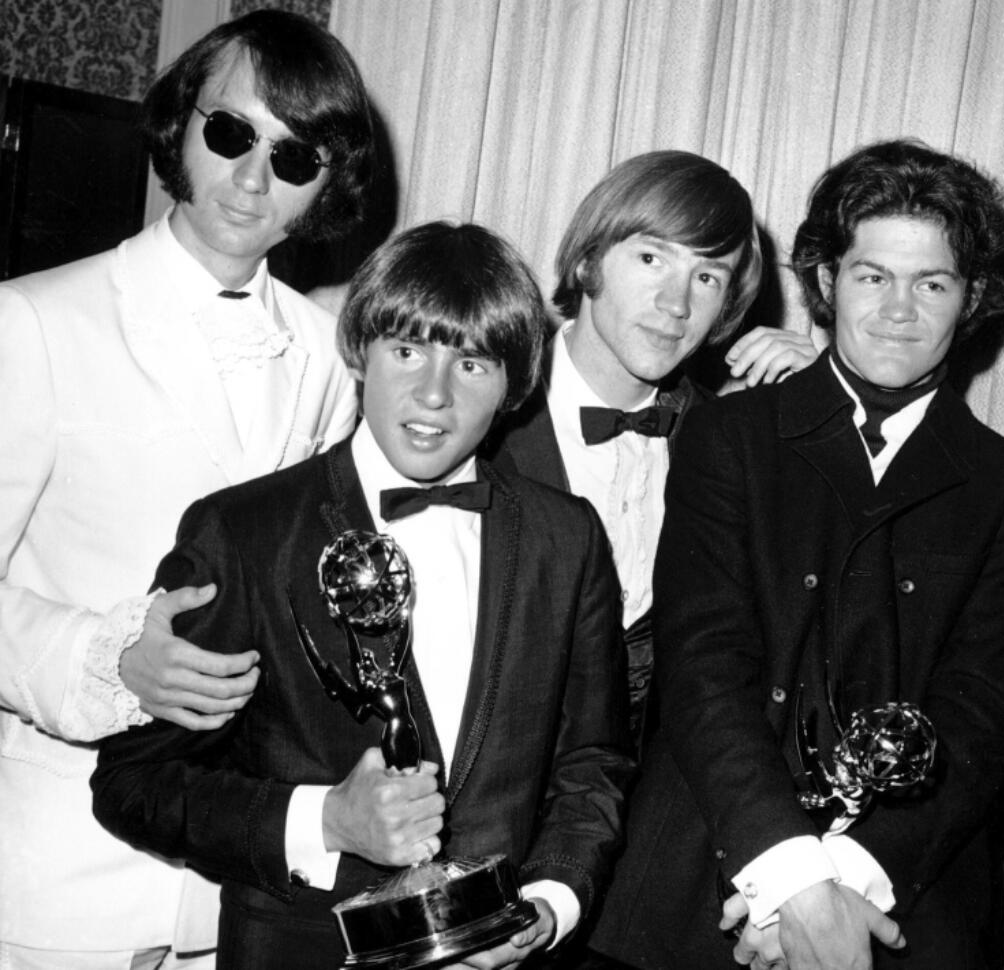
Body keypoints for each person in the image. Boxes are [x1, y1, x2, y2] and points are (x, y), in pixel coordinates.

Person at [91, 222, 635, 970]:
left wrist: (549, 905)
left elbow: (593, 764)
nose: (433, 394)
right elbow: (133, 783)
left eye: (472, 363)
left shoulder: (566, 538)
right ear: (359, 351)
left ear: (516, 386)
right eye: (406, 351)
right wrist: (325, 820)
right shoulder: (247, 531)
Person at [589, 139, 1004, 970]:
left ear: (972, 299)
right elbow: (703, 668)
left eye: (933, 283)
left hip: (901, 904)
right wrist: (795, 880)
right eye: (873, 276)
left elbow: (984, 717)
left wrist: (850, 883)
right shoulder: (729, 438)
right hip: (696, 891)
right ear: (828, 281)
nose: (898, 309)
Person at [0, 11, 376, 968]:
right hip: (56, 873)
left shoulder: (333, 364)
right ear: (181, 127)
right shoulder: (35, 321)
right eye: (232, 134)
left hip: (238, 885)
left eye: (295, 158)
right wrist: (109, 658)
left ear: (328, 184)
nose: (254, 180)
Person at [485, 149, 817, 749]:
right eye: (650, 258)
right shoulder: (481, 403)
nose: (677, 303)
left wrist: (826, 412)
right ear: (589, 261)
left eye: (708, 277)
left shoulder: (731, 444)